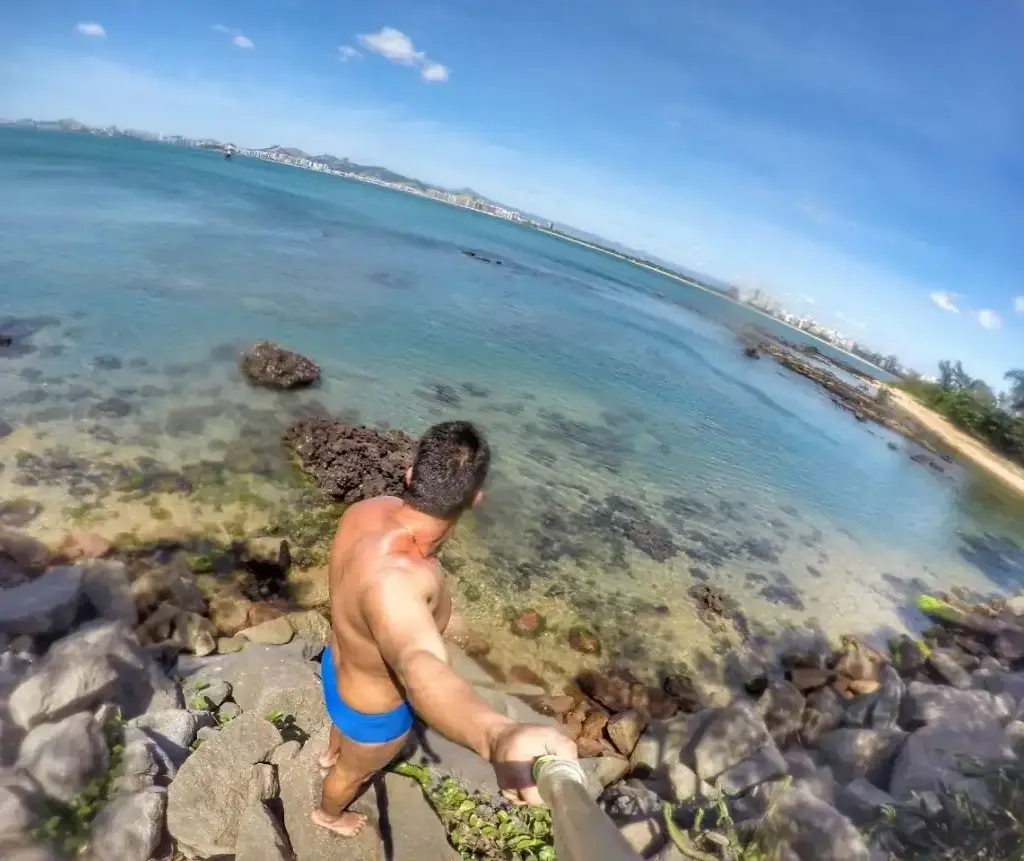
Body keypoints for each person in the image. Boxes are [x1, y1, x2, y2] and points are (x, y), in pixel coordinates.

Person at [312, 420, 577, 837]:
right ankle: (328, 814)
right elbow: (420, 664)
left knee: (341, 737)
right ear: (476, 498)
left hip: (335, 664)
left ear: (411, 475)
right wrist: (497, 736)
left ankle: (332, 752)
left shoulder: (366, 510)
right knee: (352, 773)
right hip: (373, 713)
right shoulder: (399, 583)